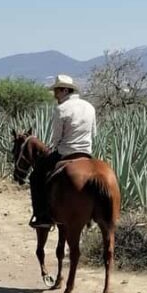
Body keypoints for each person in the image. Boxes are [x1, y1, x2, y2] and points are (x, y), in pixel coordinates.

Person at [29, 74, 96, 228]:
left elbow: (57, 139)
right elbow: (93, 133)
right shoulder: (89, 107)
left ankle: (42, 216)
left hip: (66, 152)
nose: (55, 95)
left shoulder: (61, 109)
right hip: (86, 152)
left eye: (56, 91)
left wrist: (54, 148)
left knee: (36, 176)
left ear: (65, 90)